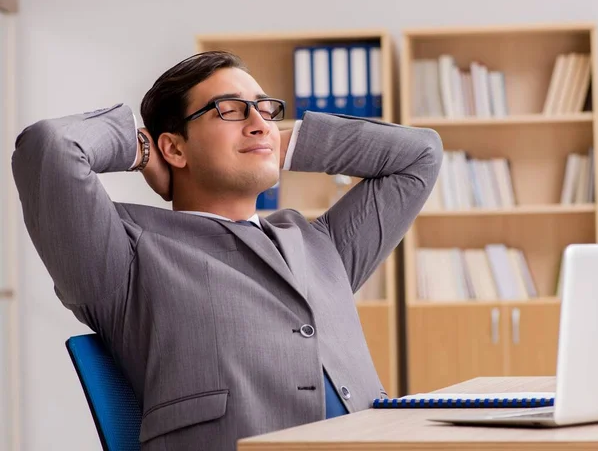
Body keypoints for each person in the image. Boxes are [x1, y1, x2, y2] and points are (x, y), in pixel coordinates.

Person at [12, 50, 443, 451]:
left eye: (265, 108)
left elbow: (420, 154)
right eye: (230, 109)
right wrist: (143, 149)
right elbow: (50, 147)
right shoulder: (126, 254)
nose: (258, 121)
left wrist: (274, 141)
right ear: (175, 147)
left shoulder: (321, 244)